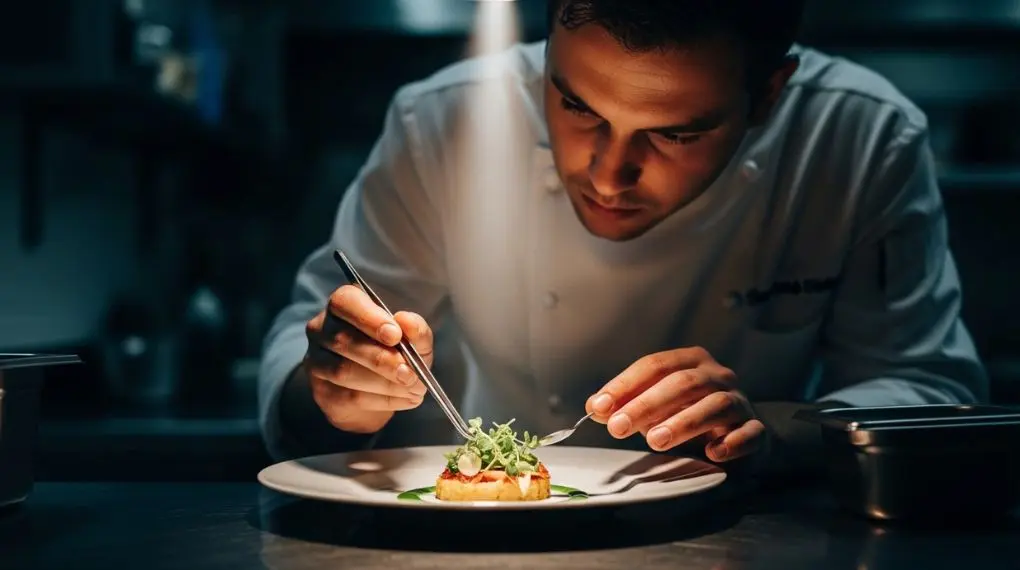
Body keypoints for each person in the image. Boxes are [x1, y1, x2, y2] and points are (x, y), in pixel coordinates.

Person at [258, 0, 988, 476]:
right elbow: (312, 343)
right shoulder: (441, 121)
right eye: (576, 106)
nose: (609, 175)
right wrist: (333, 389)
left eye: (676, 133)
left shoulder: (860, 138)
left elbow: (930, 391)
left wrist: (776, 428)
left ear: (769, 93)